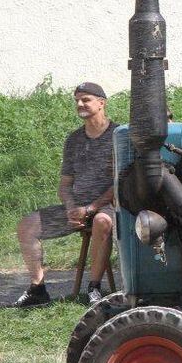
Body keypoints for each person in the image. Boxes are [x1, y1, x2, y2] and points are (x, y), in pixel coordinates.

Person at [11, 82, 117, 307]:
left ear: (101, 103)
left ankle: (94, 288)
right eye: (77, 100)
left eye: (86, 99)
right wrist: (70, 208)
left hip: (107, 207)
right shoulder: (74, 140)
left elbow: (122, 182)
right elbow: (65, 184)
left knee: (102, 221)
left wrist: (91, 208)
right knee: (26, 225)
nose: (80, 104)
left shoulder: (118, 136)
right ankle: (38, 289)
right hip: (76, 209)